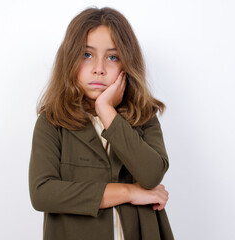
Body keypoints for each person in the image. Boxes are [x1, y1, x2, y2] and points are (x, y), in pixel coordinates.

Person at [29, 7, 174, 240]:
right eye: (87, 55)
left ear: (127, 64)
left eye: (112, 57)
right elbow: (42, 193)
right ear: (70, 59)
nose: (99, 69)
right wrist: (129, 192)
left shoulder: (144, 117)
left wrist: (106, 111)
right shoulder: (52, 122)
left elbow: (151, 175)